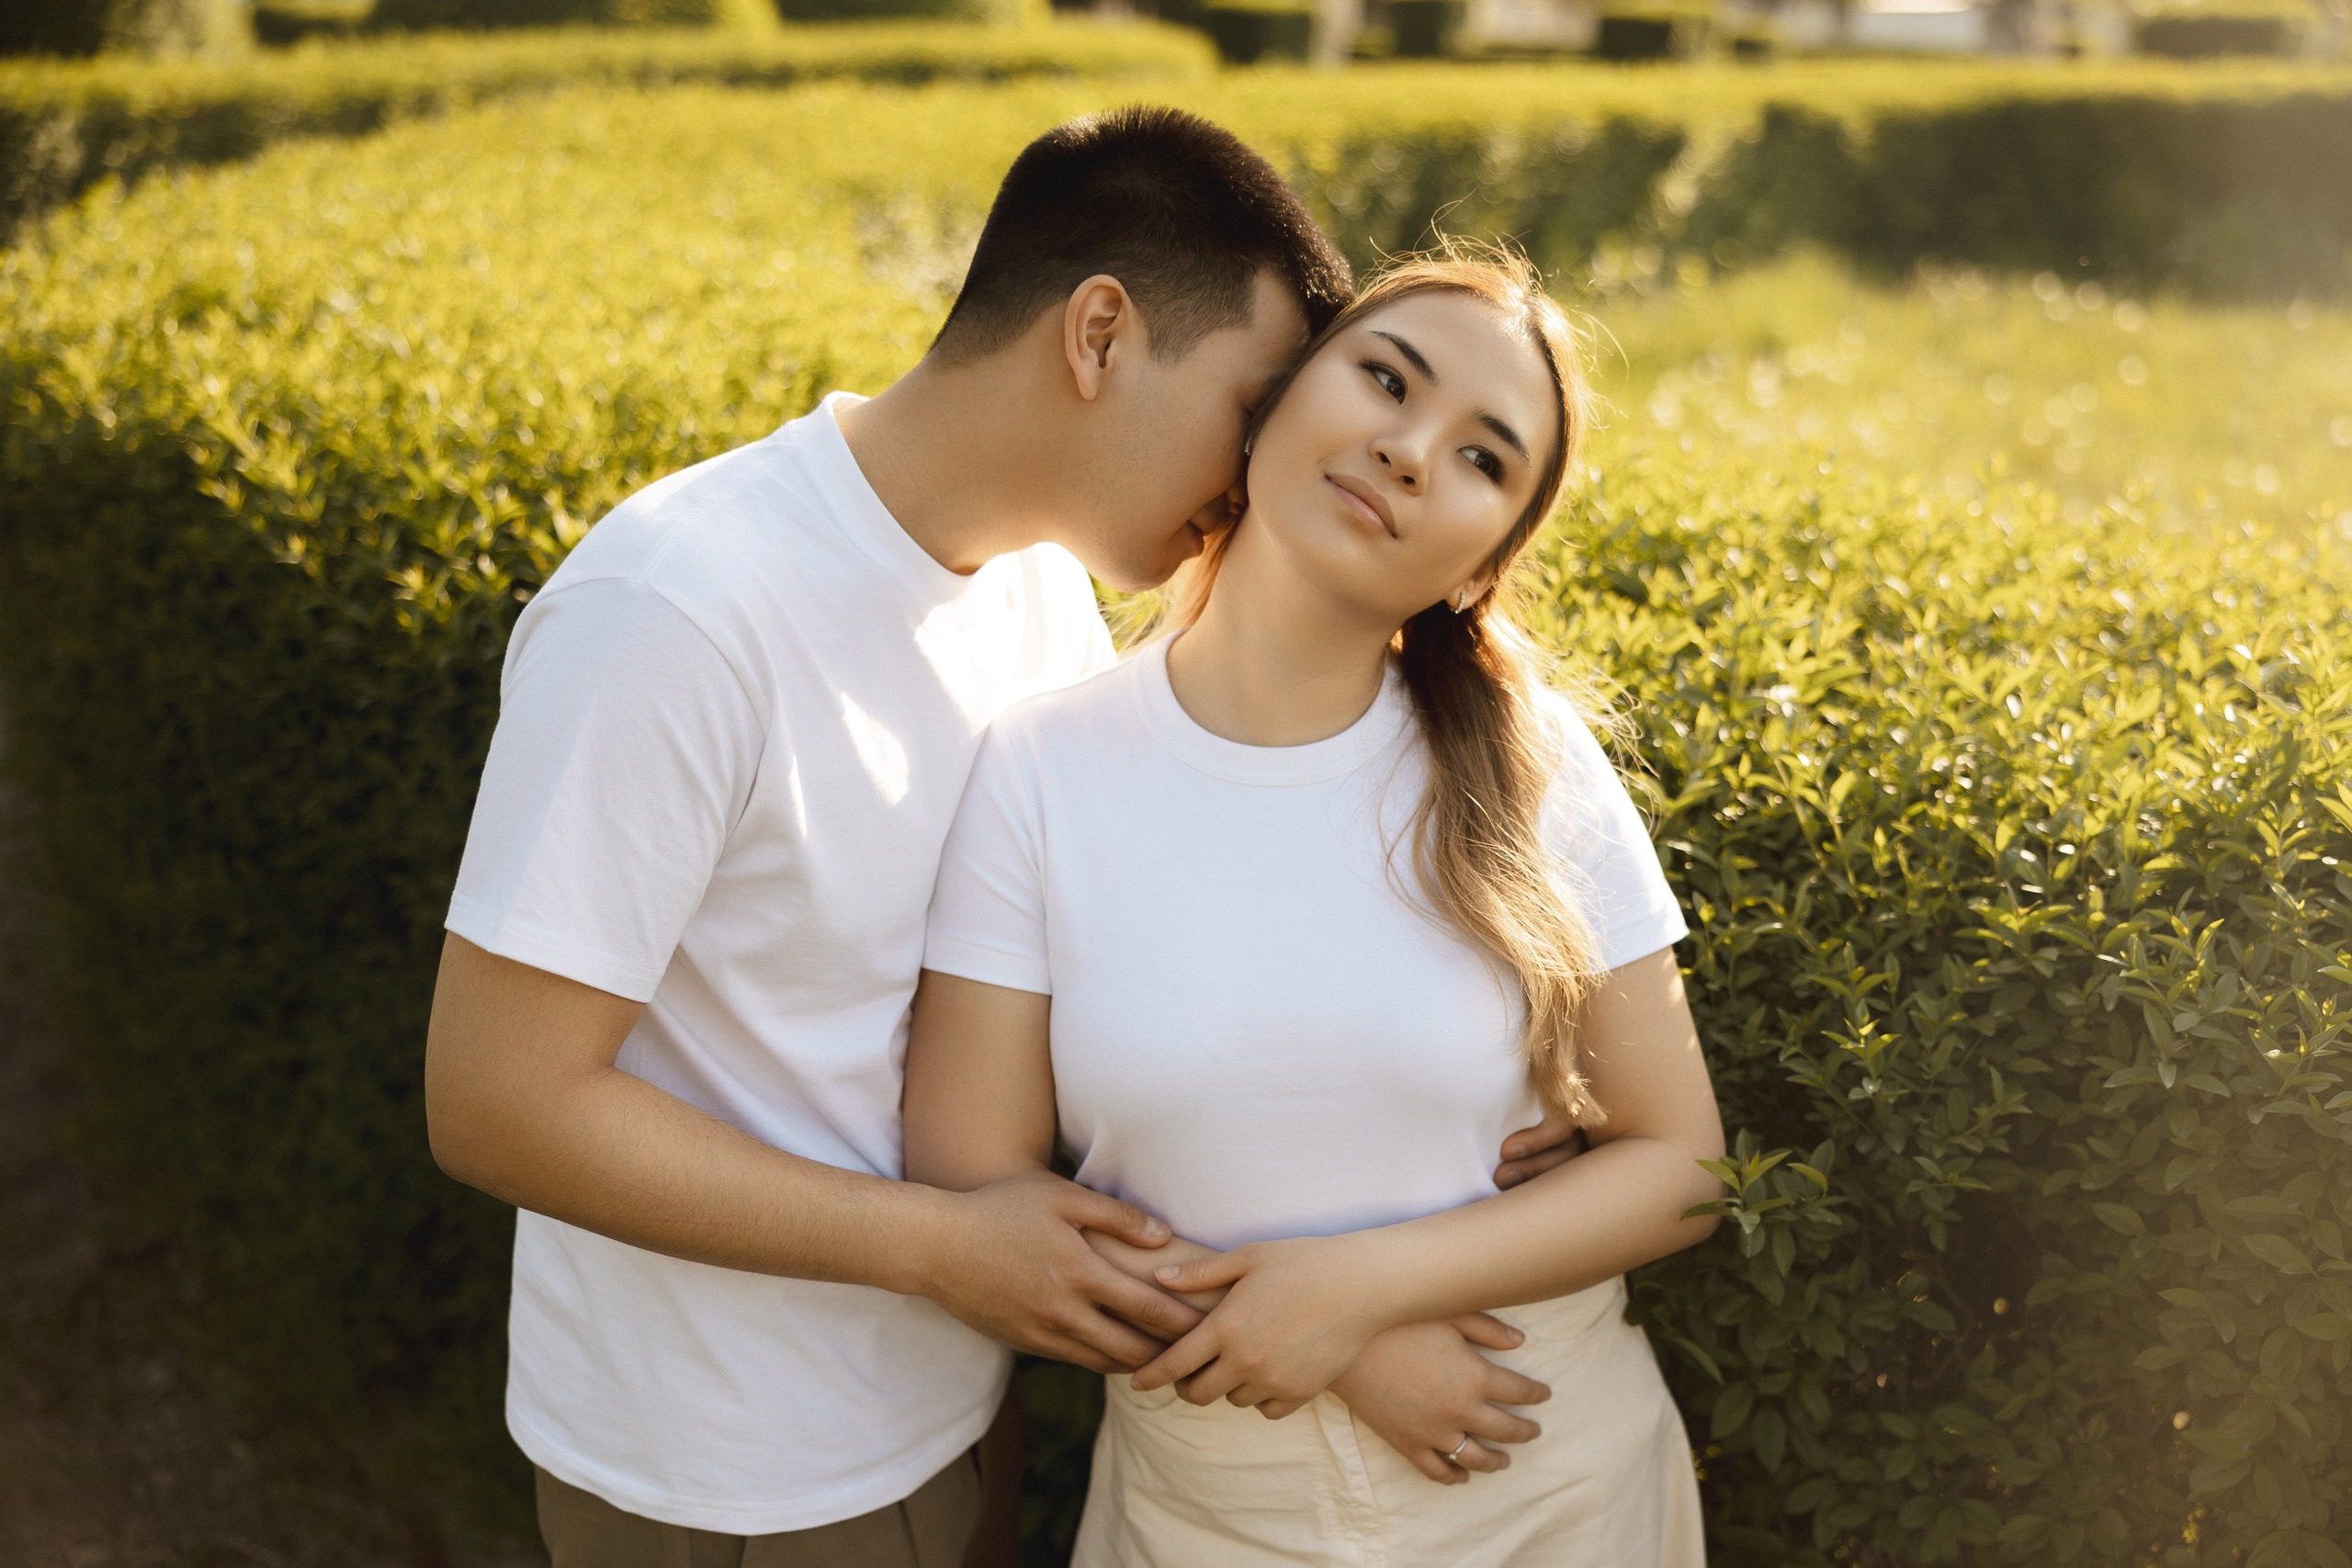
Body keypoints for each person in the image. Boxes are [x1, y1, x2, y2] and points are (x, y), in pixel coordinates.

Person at [424, 111, 1589, 1568]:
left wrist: (1457, 1094)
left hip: (958, 1397)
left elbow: (1129, 979)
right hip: (736, 1473)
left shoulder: (1035, 595)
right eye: (1247, 412)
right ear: (1100, 333)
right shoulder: (679, 610)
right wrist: (937, 1248)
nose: (1256, 473)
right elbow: (495, 1102)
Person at [903, 246, 1726, 1566]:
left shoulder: (1535, 764)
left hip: (1545, 1488)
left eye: (1482, 458)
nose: (1409, 451)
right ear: (1275, 404)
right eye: (1385, 380)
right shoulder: (1041, 770)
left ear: (1484, 560)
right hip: (1205, 1513)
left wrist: (1360, 1290)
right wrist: (1338, 1349)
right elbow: (969, 1182)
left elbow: (1681, 1166)